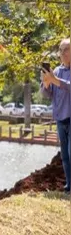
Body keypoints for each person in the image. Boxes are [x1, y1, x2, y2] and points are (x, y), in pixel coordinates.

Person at [41, 38, 71, 193]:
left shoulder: (57, 75)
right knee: (65, 156)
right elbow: (46, 94)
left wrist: (54, 80)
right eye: (60, 49)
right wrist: (46, 82)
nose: (62, 53)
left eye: (66, 49)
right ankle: (69, 185)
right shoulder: (57, 71)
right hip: (60, 119)